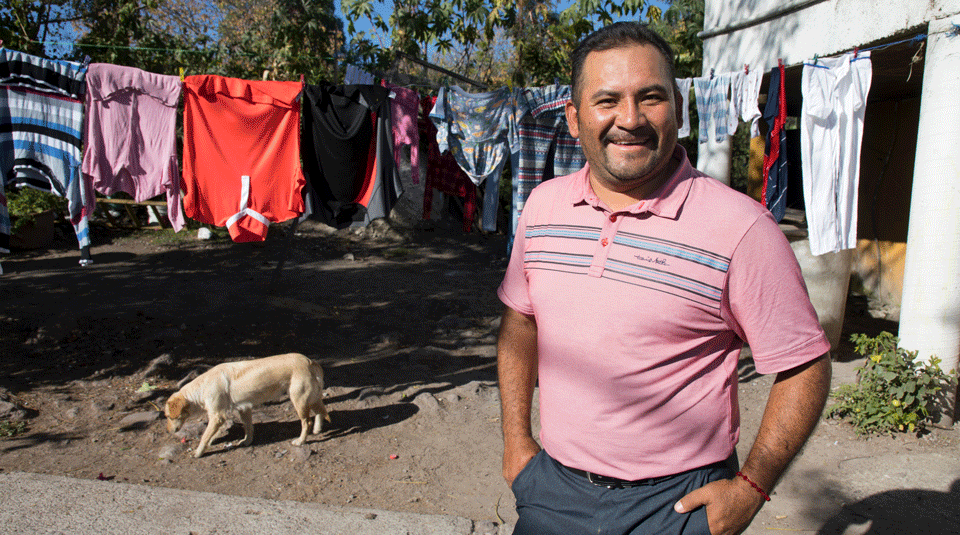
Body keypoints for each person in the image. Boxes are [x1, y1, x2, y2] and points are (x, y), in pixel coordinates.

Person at [496, 21, 832, 535]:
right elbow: (521, 320)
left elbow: (805, 363)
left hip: (677, 507)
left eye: (650, 97)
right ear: (573, 117)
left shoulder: (742, 229)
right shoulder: (543, 207)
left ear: (677, 105)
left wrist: (752, 488)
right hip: (552, 495)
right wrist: (517, 441)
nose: (629, 119)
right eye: (606, 100)